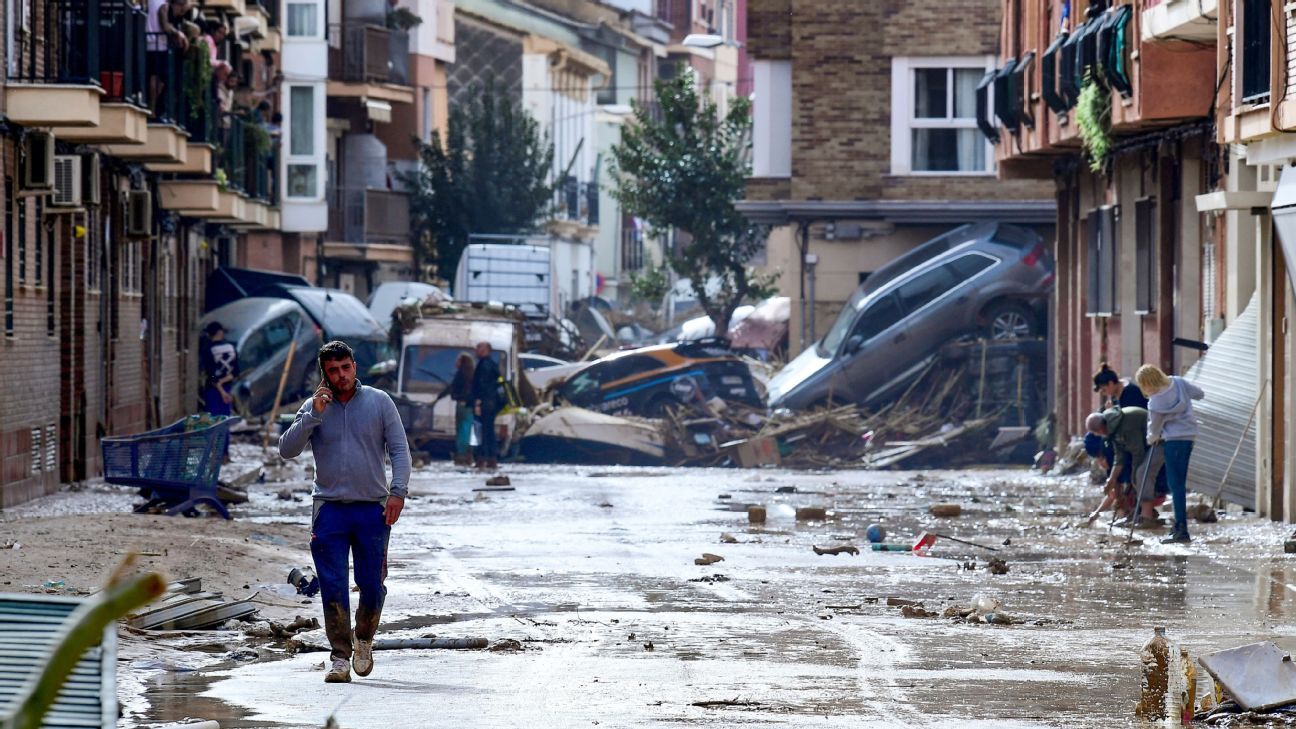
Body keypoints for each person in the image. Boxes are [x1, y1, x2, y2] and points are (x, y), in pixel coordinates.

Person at [278, 341, 411, 684]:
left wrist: (398, 492)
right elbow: (287, 450)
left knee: (371, 583)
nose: (340, 376)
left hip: (372, 509)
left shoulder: (379, 402)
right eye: (333, 371)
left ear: (354, 366)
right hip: (330, 510)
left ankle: (363, 637)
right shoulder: (313, 407)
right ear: (325, 374)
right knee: (333, 585)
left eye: (345, 368)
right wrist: (313, 416)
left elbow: (399, 450)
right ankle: (339, 656)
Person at [1137, 364, 1205, 544]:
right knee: (1179, 483)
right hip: (1189, 436)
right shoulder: (1179, 382)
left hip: (1172, 441)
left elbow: (1153, 432)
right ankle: (1179, 527)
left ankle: (1181, 529)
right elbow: (1199, 394)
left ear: (1145, 384)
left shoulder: (1155, 403)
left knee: (1176, 485)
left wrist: (1151, 439)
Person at [1084, 407, 1167, 527]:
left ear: (1101, 429)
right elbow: (1119, 456)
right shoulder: (1112, 429)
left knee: (1141, 474)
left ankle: (1147, 517)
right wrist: (1112, 479)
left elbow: (1138, 453)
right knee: (1137, 476)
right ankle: (1139, 514)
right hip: (1148, 443)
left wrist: (1133, 477)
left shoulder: (1125, 426)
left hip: (1161, 440)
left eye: (1096, 433)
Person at [471, 341, 503, 470]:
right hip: (491, 403)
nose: (476, 350)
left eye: (479, 347)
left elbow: (482, 385)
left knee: (484, 432)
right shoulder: (491, 364)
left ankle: (484, 458)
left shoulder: (484, 365)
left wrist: (478, 401)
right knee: (488, 431)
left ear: (486, 350)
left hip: (486, 403)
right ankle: (490, 458)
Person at [199, 321, 238, 416]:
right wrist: (224, 388)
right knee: (225, 420)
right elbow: (236, 372)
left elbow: (210, 374)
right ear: (220, 332)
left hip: (213, 390)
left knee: (213, 420)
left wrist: (220, 389)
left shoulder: (207, 349)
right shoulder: (231, 347)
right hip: (227, 388)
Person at [449, 352, 475, 466]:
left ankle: (461, 453)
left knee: (461, 430)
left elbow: (453, 389)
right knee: (467, 429)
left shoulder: (460, 374)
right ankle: (466, 453)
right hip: (469, 405)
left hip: (461, 404)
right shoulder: (473, 374)